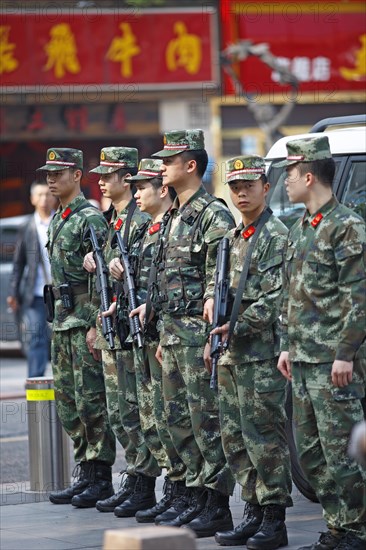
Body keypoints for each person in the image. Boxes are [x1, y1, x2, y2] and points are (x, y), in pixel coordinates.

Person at [276, 136, 366, 550]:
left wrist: (345, 353)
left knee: (344, 452)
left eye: (290, 175)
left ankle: (357, 529)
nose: (286, 183)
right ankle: (338, 525)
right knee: (311, 454)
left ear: (308, 175)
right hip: (304, 360)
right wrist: (286, 346)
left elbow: (359, 297)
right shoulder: (300, 228)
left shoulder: (346, 225)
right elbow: (291, 294)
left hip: (334, 361)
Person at [148, 129, 236, 537]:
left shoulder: (211, 213)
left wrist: (207, 336)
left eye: (169, 160)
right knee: (176, 420)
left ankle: (217, 504)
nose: (162, 166)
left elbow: (218, 278)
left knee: (206, 421)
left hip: (197, 336)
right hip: (171, 334)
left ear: (191, 165)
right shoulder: (172, 216)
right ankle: (193, 495)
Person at [204, 155, 293, 550]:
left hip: (259, 354)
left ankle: (275, 517)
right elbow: (214, 284)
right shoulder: (229, 238)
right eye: (235, 187)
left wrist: (235, 324)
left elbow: (276, 298)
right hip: (228, 354)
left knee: (264, 437)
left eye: (249, 186)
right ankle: (253, 510)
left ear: (265, 187)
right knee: (234, 438)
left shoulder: (276, 235)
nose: (241, 193)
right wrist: (211, 316)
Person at [37, 148, 115, 507]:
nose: (51, 179)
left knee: (92, 401)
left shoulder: (90, 218)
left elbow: (103, 276)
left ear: (77, 175)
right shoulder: (59, 218)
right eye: (48, 174)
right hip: (62, 321)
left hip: (83, 319)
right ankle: (85, 470)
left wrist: (96, 322)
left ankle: (100, 477)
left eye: (58, 173)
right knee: (68, 402)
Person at [83, 147, 160, 516]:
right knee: (119, 412)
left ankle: (144, 482)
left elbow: (146, 274)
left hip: (135, 328)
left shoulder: (142, 218)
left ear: (126, 178)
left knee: (139, 409)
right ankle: (134, 475)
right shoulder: (113, 219)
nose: (100, 180)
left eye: (108, 174)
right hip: (113, 323)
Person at [122, 159, 187, 523]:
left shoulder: (172, 226)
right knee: (155, 419)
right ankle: (174, 490)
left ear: (162, 190)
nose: (137, 194)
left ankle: (186, 493)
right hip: (149, 334)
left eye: (142, 187)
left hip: (171, 336)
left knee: (178, 418)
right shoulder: (148, 230)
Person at [7, 181, 54, 378]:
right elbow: (18, 264)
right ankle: (36, 384)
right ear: (33, 199)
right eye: (40, 195)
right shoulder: (27, 226)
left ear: (53, 197)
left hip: (60, 293)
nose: (44, 199)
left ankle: (62, 387)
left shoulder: (59, 222)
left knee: (59, 340)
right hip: (35, 295)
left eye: (47, 194)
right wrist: (13, 292)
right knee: (36, 338)